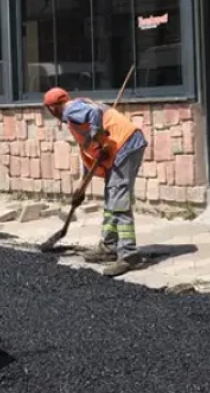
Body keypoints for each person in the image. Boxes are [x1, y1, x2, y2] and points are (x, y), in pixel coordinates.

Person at [44, 87, 148, 277]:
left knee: (119, 202)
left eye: (49, 109)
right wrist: (82, 186)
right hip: (121, 148)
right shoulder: (76, 114)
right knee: (111, 198)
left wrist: (97, 134)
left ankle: (129, 255)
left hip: (125, 145)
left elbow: (94, 113)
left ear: (53, 107)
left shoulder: (70, 109)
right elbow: (90, 153)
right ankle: (109, 247)